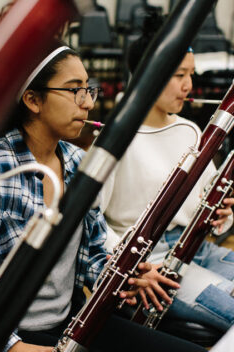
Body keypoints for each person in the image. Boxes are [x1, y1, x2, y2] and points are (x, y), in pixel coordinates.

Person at [0, 42, 206, 352]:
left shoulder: (79, 162)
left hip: (70, 321)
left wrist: (126, 277)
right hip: (10, 333)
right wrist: (13, 347)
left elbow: (92, 254)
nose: (88, 104)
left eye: (88, 90)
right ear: (33, 100)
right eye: (73, 90)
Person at [100, 13, 234, 333]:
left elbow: (210, 209)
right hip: (154, 263)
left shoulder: (189, 130)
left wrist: (224, 214)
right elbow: (94, 225)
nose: (188, 85)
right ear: (149, 74)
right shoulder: (115, 139)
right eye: (178, 75)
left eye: (191, 74)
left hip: (197, 248)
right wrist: (131, 269)